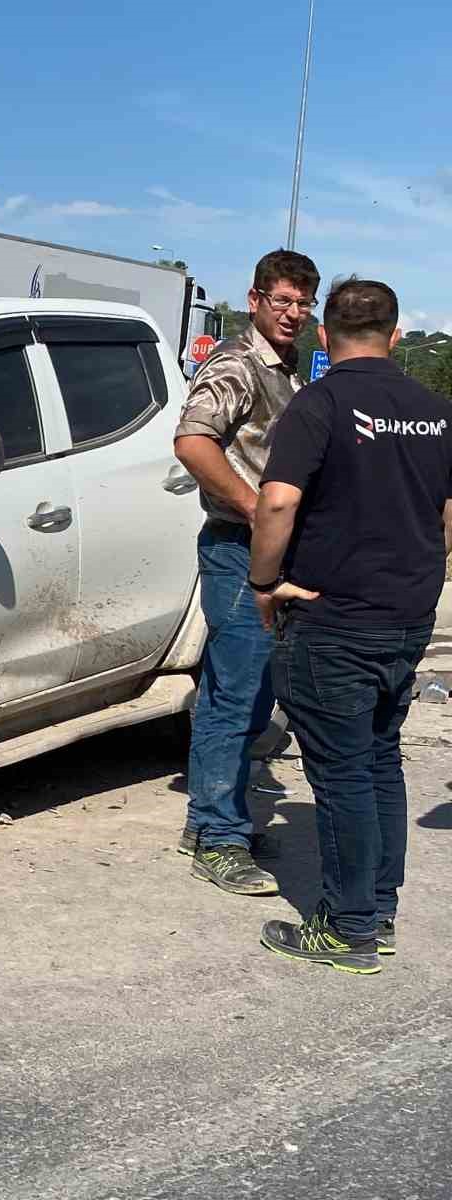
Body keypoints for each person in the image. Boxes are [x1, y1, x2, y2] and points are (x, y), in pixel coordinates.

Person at [249, 278, 452, 974]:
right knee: (379, 761)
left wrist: (263, 581)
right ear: (395, 337)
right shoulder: (433, 409)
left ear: (324, 336)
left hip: (335, 617)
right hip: (405, 614)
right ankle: (380, 913)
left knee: (340, 775)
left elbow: (276, 504)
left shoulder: (321, 402)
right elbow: (448, 518)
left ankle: (347, 928)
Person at [173, 249, 320, 895]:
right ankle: (218, 837)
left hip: (268, 554)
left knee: (251, 694)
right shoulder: (237, 364)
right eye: (282, 300)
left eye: (303, 302)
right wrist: (256, 509)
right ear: (255, 299)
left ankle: (212, 819)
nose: (294, 313)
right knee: (237, 695)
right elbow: (192, 440)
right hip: (238, 550)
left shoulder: (286, 372)